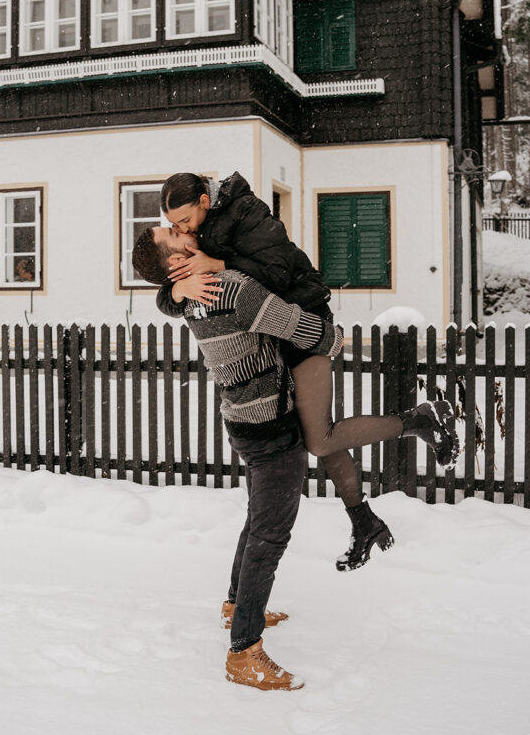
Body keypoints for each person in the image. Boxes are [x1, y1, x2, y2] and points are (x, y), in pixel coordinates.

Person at [132, 225, 459, 691]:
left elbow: (171, 295)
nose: (185, 229)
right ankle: (244, 652)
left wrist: (175, 286)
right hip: (270, 426)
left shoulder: (188, 296)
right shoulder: (229, 288)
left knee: (256, 521)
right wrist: (333, 339)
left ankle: (234, 606)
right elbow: (293, 325)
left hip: (241, 418)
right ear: (178, 260)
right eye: (175, 233)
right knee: (270, 534)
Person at [154, 171, 460, 570]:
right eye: (174, 225)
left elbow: (278, 274)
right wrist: (175, 291)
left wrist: (219, 262)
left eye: (183, 221)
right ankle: (363, 522)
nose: (179, 229)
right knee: (315, 432)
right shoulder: (197, 233)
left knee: (319, 439)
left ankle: (421, 419)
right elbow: (166, 286)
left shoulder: (249, 211)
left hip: (303, 323)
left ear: (204, 202)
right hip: (269, 333)